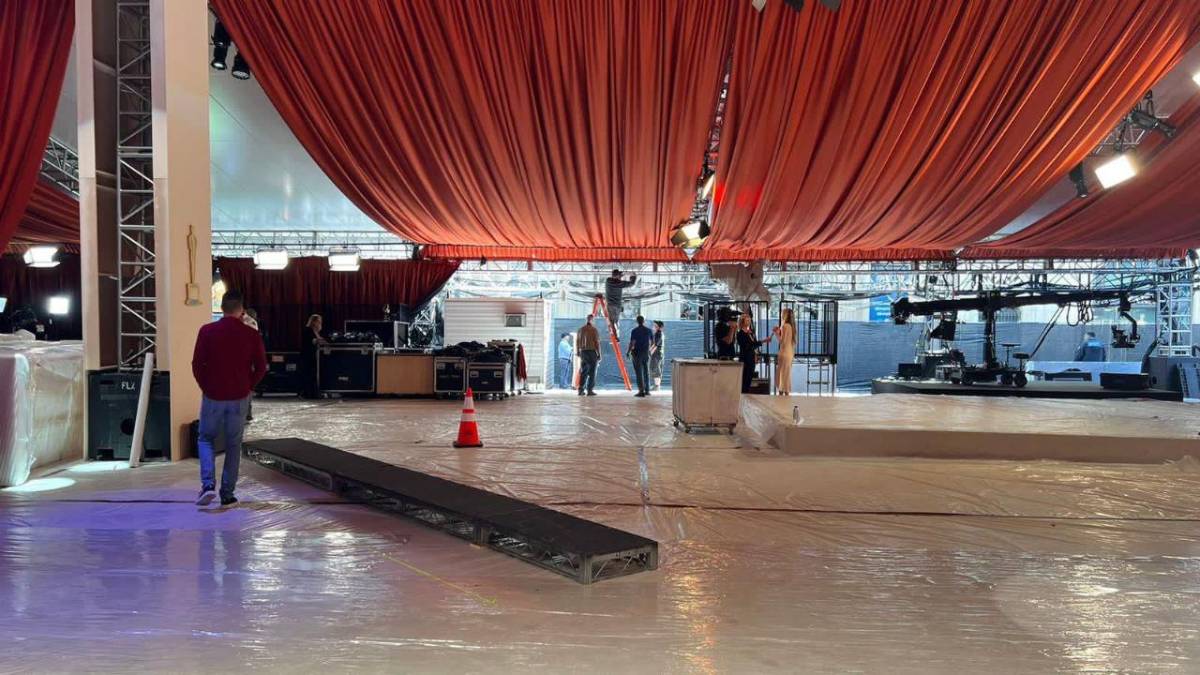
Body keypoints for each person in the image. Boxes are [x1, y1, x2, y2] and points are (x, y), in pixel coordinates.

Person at [191, 290, 267, 507]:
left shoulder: (207, 331)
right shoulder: (251, 334)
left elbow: (197, 364)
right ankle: (227, 494)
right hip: (239, 396)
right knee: (233, 444)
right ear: (241, 310)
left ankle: (208, 485)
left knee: (206, 438)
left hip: (213, 395)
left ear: (222, 308)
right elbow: (261, 367)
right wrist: (248, 387)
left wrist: (206, 386)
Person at [736, 313, 772, 394]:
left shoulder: (750, 333)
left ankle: (746, 395)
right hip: (745, 360)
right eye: (747, 320)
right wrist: (763, 341)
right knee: (744, 380)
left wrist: (756, 354)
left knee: (749, 379)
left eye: (749, 320)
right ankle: (743, 395)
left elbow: (754, 345)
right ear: (742, 322)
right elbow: (749, 346)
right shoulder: (740, 334)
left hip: (751, 359)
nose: (749, 322)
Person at [604, 269, 637, 340]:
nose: (620, 277)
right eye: (619, 276)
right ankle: (615, 335)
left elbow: (616, 278)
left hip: (610, 305)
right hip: (617, 306)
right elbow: (631, 283)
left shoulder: (608, 281)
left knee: (612, 321)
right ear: (618, 276)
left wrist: (621, 274)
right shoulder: (620, 283)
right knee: (614, 321)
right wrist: (633, 276)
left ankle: (615, 335)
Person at [299, 314, 327, 399]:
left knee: (314, 375)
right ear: (314, 322)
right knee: (309, 375)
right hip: (308, 357)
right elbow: (313, 341)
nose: (320, 323)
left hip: (314, 356)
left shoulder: (316, 331)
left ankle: (314, 393)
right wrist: (322, 340)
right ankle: (308, 393)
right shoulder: (308, 330)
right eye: (318, 321)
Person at [627, 315, 653, 397]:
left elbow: (632, 342)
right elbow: (652, 342)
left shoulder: (634, 331)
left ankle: (641, 391)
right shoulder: (649, 330)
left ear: (637, 321)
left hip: (637, 353)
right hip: (646, 353)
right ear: (644, 321)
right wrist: (649, 350)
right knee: (646, 371)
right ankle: (647, 390)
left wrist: (628, 352)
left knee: (639, 372)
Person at [576, 314, 601, 396]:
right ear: (592, 320)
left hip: (583, 352)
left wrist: (578, 351)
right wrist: (599, 354)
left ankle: (580, 390)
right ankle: (590, 390)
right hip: (592, 352)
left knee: (583, 372)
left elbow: (577, 342)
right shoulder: (594, 330)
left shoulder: (580, 330)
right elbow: (597, 343)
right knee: (592, 372)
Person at [242, 308, 260, 421]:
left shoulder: (242, 322)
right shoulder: (253, 323)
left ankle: (246, 411)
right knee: (248, 387)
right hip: (249, 359)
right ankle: (248, 412)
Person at [773, 308, 796, 395]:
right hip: (789, 353)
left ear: (785, 315)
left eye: (782, 313)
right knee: (786, 374)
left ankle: (782, 394)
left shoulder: (785, 326)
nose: (781, 314)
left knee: (782, 374)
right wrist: (779, 331)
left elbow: (782, 341)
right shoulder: (791, 326)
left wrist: (776, 333)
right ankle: (786, 394)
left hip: (784, 352)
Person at [649, 320, 666, 390]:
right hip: (658, 354)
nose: (653, 326)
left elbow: (655, 345)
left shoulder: (658, 334)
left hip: (657, 354)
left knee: (655, 368)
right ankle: (657, 385)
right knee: (656, 368)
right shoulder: (659, 333)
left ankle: (657, 386)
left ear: (658, 327)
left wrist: (649, 352)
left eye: (655, 325)